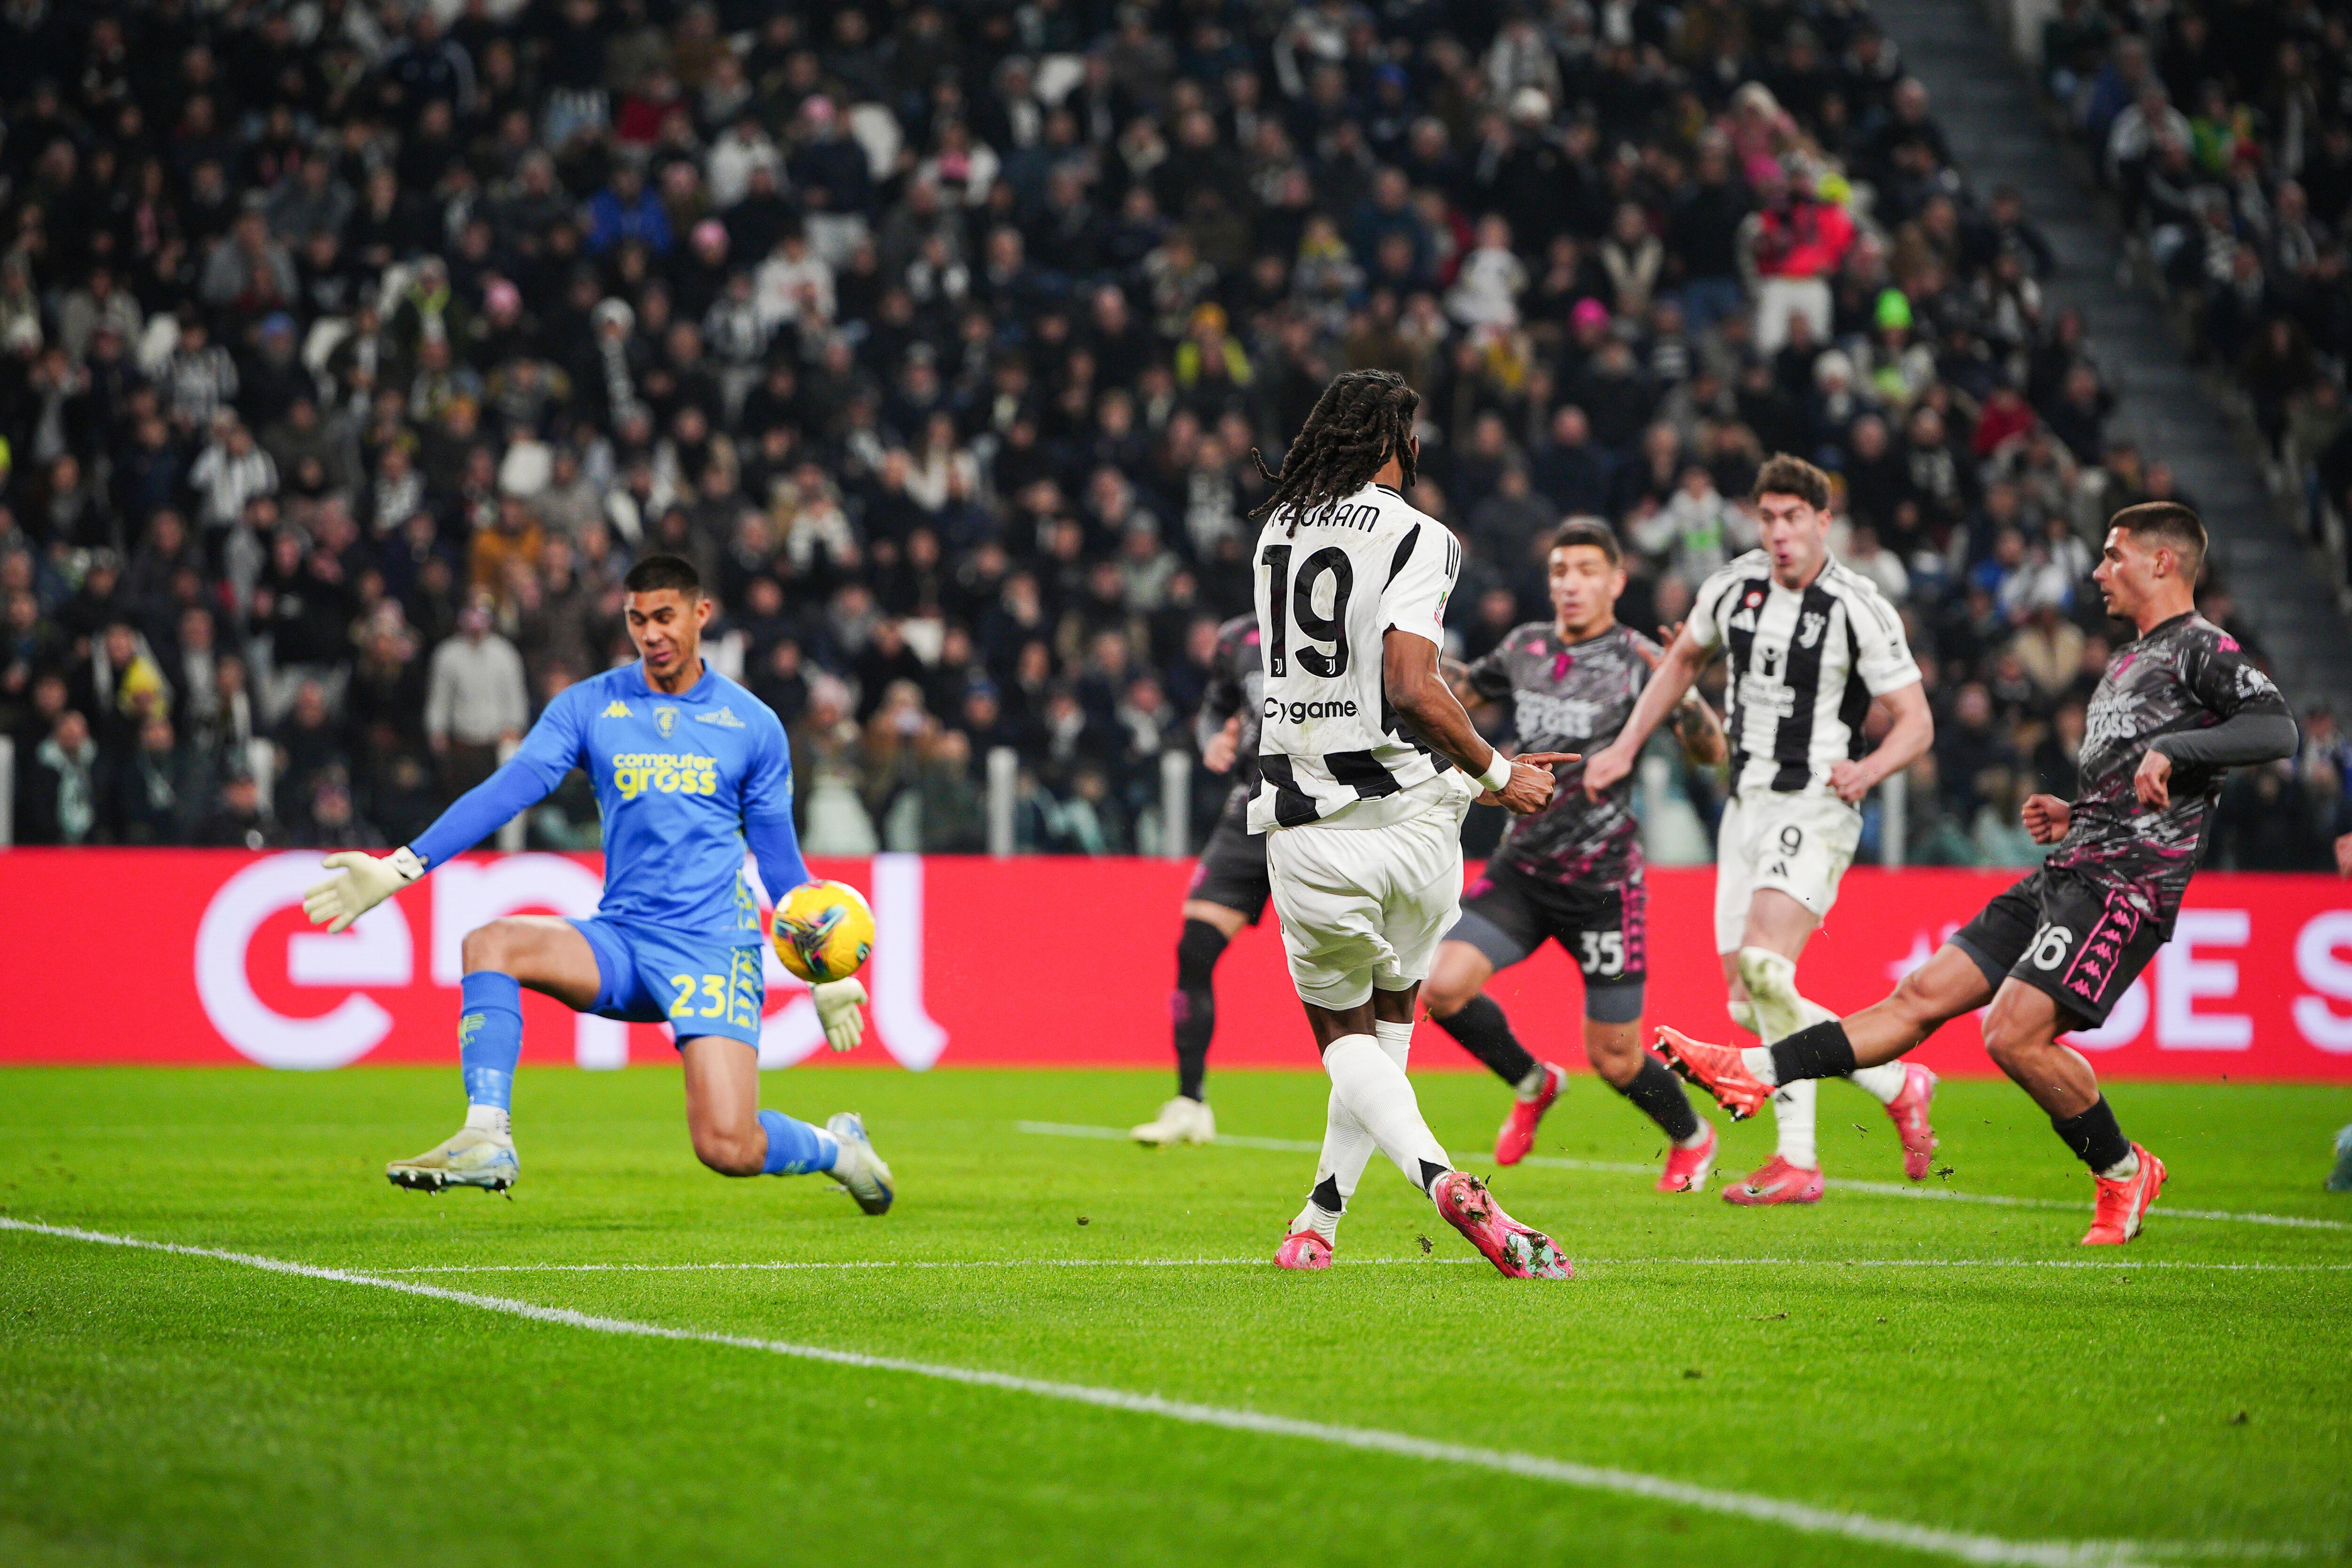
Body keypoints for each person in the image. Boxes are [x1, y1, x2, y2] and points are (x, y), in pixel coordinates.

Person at [1659, 504, 2298, 1245]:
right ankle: (1755, 1069)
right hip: (2073, 864)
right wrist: (2076, 810)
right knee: (1920, 996)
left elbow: (2275, 726)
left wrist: (2181, 749)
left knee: (2012, 1034)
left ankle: (2124, 1172)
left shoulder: (2201, 648)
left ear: (2163, 562)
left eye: (2114, 555)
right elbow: (2135, 777)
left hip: (2127, 887)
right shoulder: (2127, 659)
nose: (2098, 571)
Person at [301, 554, 889, 1213]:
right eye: (637, 619)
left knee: (728, 1146)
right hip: (625, 940)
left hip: (712, 951)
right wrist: (400, 866)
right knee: (490, 942)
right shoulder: (590, 706)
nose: (651, 634)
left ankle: (841, 1150)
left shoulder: (751, 725)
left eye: (665, 617)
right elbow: (512, 788)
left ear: (701, 614)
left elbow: (780, 864)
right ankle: (486, 1134)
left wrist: (826, 970)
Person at [1244, 370, 1573, 1279]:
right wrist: (1501, 776)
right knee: (1389, 1029)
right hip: (1420, 826)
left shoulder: (1276, 530)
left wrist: (1495, 774)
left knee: (1343, 1040)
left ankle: (1440, 1179)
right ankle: (1319, 1219)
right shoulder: (1423, 536)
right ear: (1399, 441)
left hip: (1315, 829)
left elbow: (1392, 684)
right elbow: (1413, 686)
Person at [1584, 454, 1939, 1204]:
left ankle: (1800, 1160)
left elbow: (1917, 722)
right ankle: (1898, 1082)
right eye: (1768, 518)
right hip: (1744, 805)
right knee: (1748, 1001)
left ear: (1822, 521)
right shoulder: (1735, 586)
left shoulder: (1857, 605)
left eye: (1792, 519)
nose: (1778, 534)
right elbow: (1682, 660)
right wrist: (1623, 746)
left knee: (1768, 970)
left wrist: (1870, 772)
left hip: (1815, 802)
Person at [1424, 519, 1728, 1187]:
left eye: (1587, 570)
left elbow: (1711, 754)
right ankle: (1534, 1083)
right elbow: (1454, 698)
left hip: (1603, 885)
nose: (1570, 584)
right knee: (1442, 989)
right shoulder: (1526, 647)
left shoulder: (1644, 659)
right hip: (1522, 869)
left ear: (1617, 581)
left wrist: (1692, 692)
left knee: (1616, 1060)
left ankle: (1692, 1135)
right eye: (1561, 570)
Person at [1130, 611, 1263, 1147]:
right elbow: (1216, 707)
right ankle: (1190, 1101)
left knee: (1342, 968)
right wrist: (1212, 740)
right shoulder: (1237, 638)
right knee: (1194, 950)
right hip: (1252, 805)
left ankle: (1373, 1103)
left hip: (1326, 812)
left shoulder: (1348, 616)